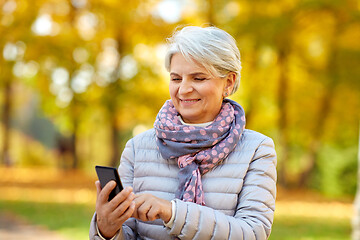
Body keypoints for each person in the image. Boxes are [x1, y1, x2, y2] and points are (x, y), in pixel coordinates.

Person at [89, 25, 277, 240]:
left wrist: (173, 212)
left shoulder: (257, 149)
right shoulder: (138, 148)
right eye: (176, 78)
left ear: (229, 82)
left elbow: (254, 233)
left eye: (198, 78)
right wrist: (106, 229)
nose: (184, 89)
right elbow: (126, 234)